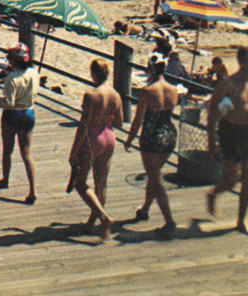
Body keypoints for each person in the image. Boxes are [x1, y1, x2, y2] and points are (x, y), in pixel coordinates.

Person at [124, 53, 178, 236]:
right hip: (169, 136)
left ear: (150, 69)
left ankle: (169, 222)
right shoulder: (173, 89)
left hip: (151, 138)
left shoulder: (147, 91)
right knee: (153, 174)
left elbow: (138, 120)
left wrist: (129, 139)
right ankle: (145, 209)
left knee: (155, 179)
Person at [68, 59, 123, 240]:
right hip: (109, 136)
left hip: (93, 138)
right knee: (101, 183)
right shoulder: (116, 94)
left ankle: (104, 218)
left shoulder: (91, 95)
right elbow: (120, 122)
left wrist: (74, 151)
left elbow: (84, 125)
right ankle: (91, 224)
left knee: (80, 182)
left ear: (93, 73)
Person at [206, 47, 248, 232]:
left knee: (247, 180)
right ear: (241, 62)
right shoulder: (227, 83)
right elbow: (212, 112)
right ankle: (213, 194)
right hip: (230, 132)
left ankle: (240, 221)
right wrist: (211, 142)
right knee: (231, 180)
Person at [0, 43, 39, 204]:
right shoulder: (34, 72)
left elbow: (8, 103)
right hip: (28, 113)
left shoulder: (12, 78)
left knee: (7, 150)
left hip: (12, 115)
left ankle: (5, 179)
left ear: (14, 60)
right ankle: (32, 190)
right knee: (26, 153)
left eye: (9, 57)